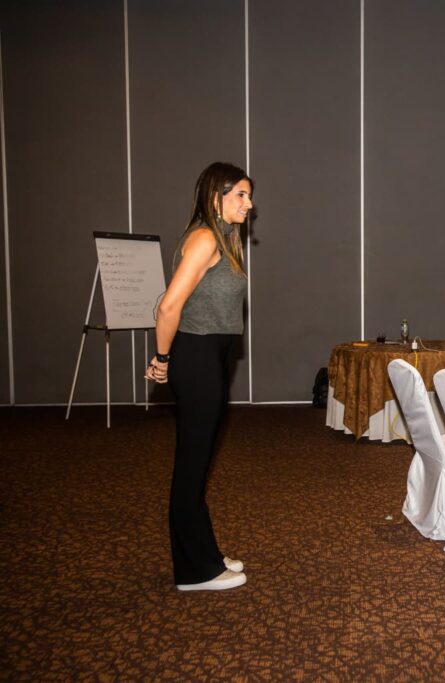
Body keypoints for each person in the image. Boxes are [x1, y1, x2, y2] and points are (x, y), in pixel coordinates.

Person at [145, 162, 253, 591]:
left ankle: (202, 551)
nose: (249, 203)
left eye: (248, 195)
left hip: (211, 356)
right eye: (240, 195)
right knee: (192, 465)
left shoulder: (223, 239)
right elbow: (168, 306)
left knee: (200, 460)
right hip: (196, 356)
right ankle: (195, 571)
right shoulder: (206, 237)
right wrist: (162, 358)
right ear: (216, 197)